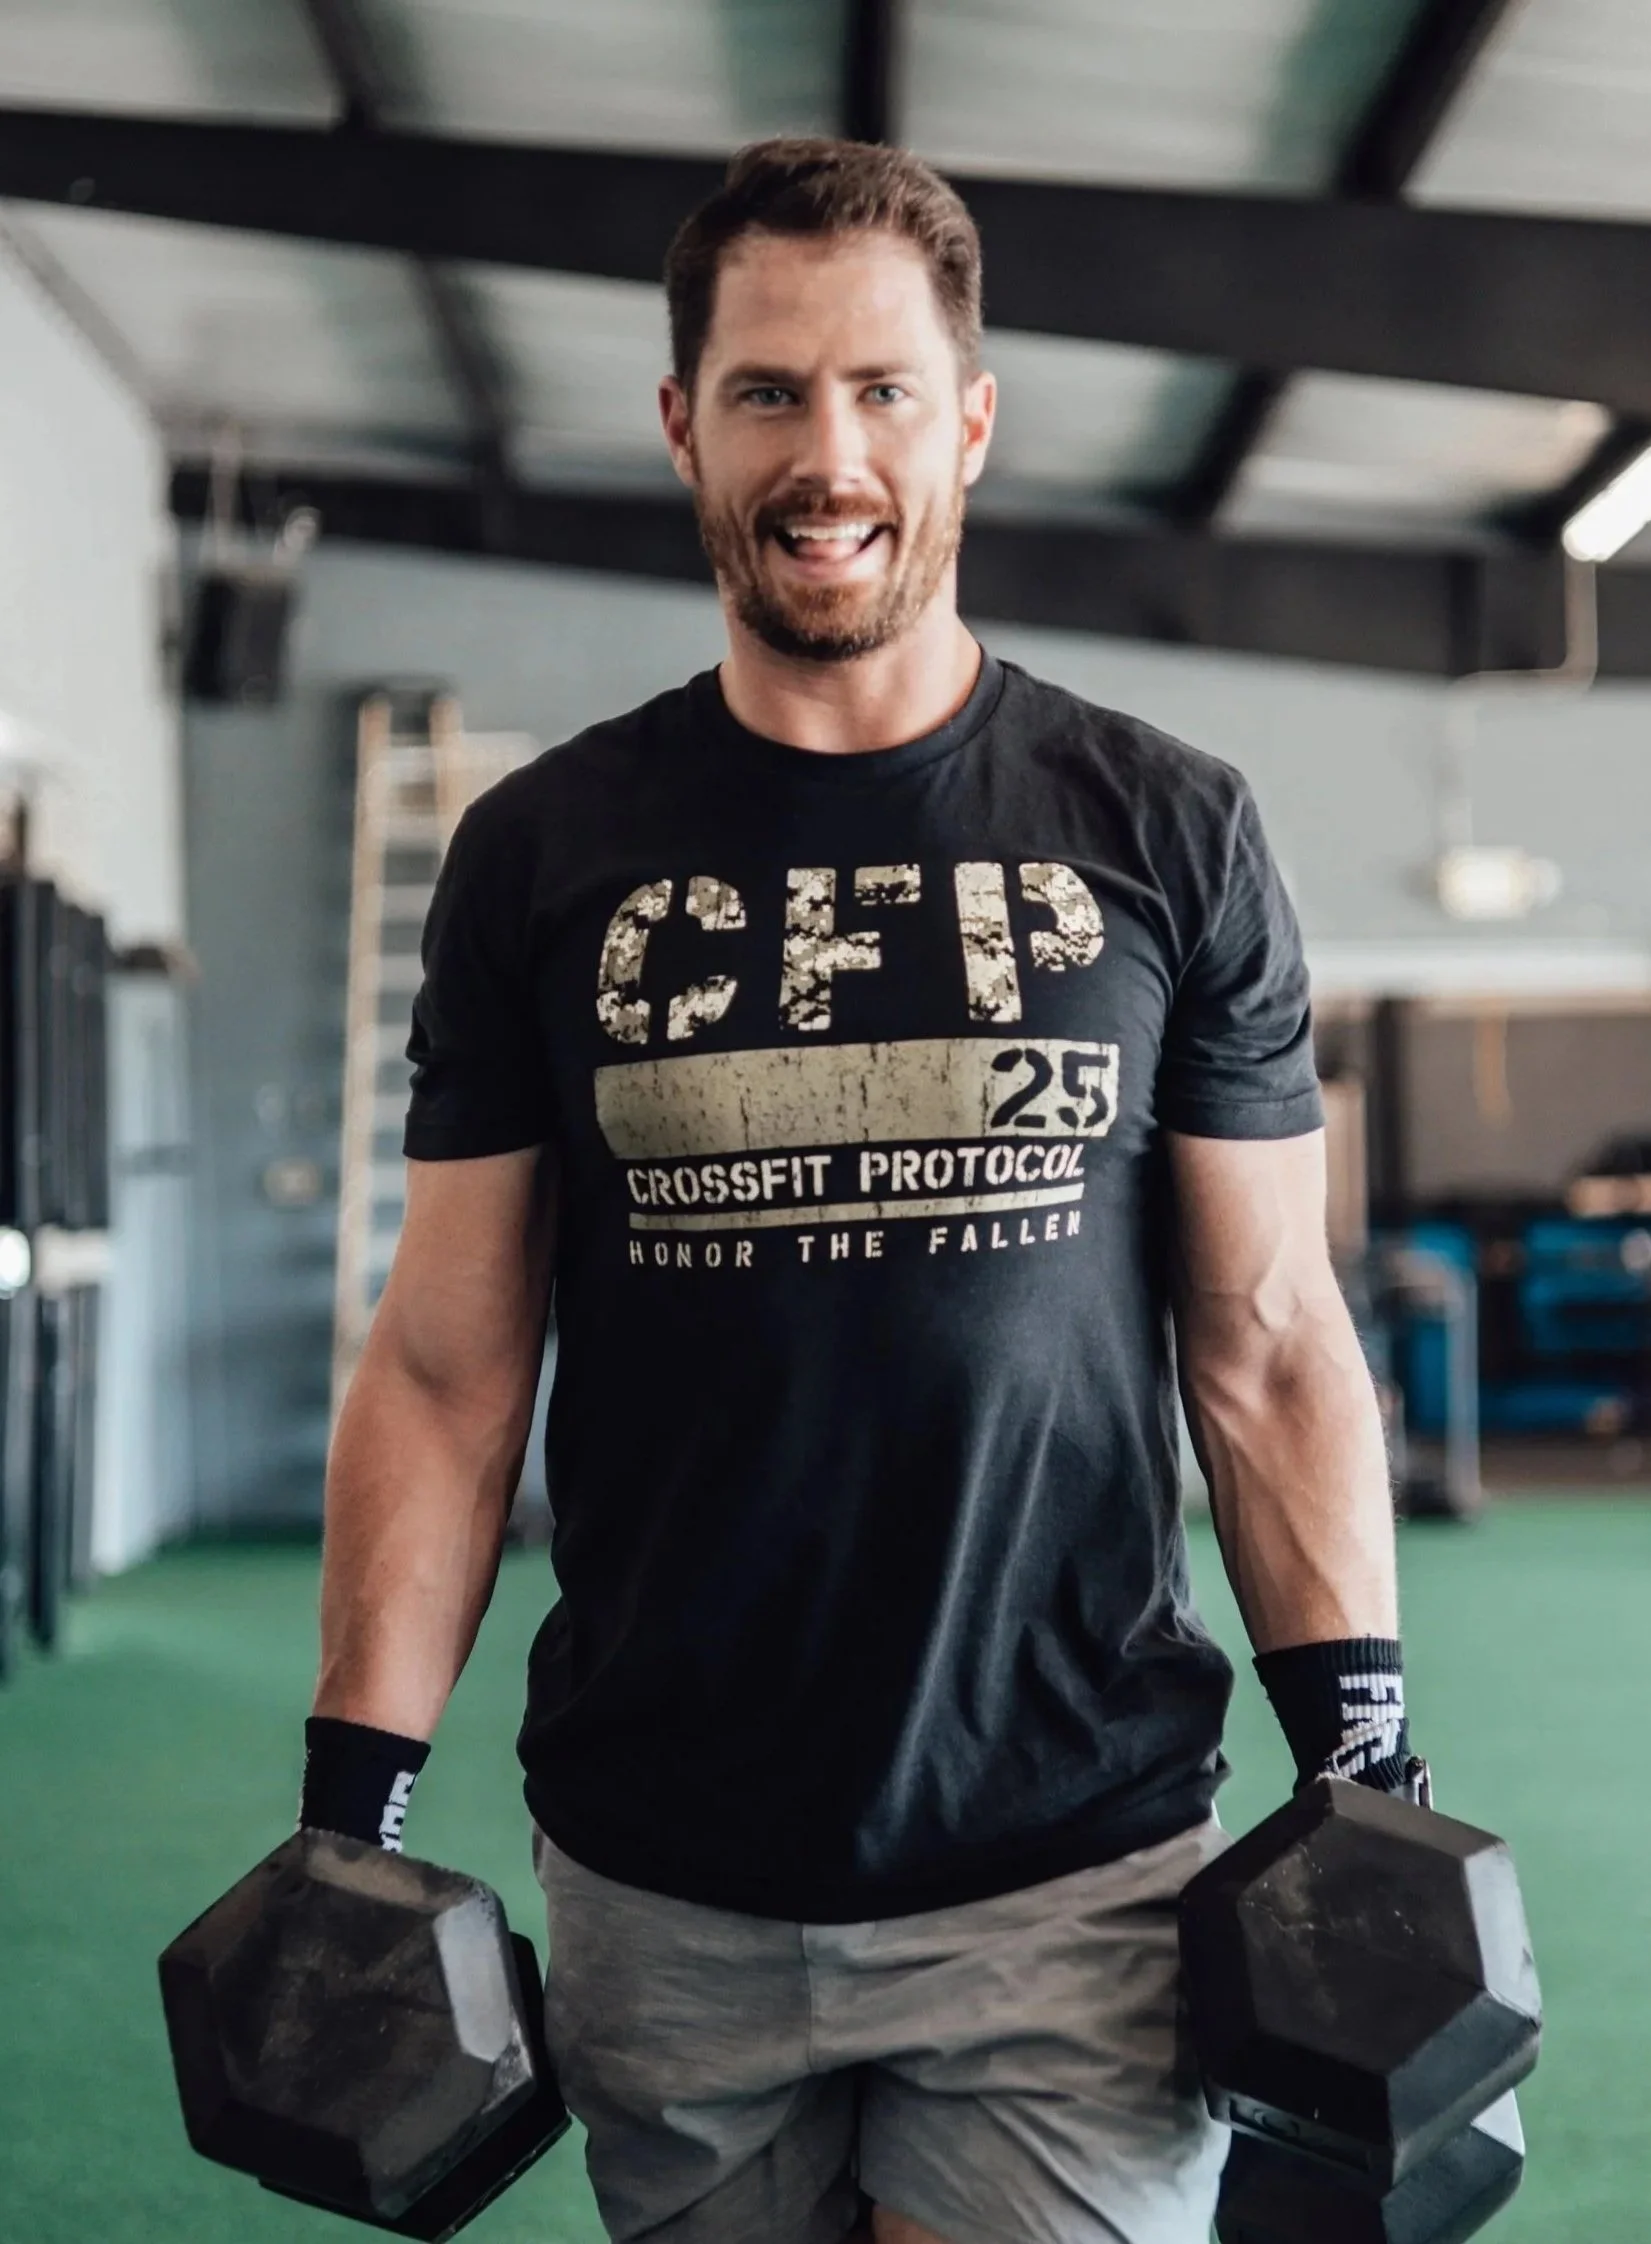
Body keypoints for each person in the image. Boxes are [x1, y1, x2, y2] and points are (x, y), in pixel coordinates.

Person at [298, 138, 1408, 2244]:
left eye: (886, 390)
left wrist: (1366, 1766)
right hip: (662, 1872)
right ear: (680, 425)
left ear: (970, 420)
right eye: (770, 392)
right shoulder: (543, 854)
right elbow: (449, 1365)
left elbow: (1267, 1343)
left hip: (1071, 1855)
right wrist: (351, 1813)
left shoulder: (1166, 827)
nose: (832, 454)